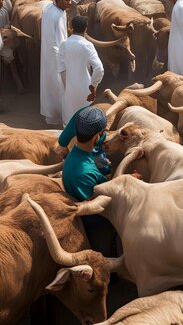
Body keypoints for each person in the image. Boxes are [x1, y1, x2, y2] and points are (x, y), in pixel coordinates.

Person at [60, 106, 117, 257]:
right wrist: (128, 180)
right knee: (105, 253)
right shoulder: (83, 173)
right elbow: (95, 204)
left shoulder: (79, 154)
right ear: (96, 137)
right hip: (95, 222)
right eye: (102, 133)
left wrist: (102, 164)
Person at [58, 15, 104, 126]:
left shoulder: (63, 44)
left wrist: (67, 87)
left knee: (69, 122)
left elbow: (62, 69)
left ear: (71, 27)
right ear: (86, 28)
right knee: (86, 122)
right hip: (86, 89)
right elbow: (99, 68)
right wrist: (93, 87)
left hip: (69, 88)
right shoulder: (87, 45)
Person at [40, 0, 71, 125]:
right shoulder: (56, 15)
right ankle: (58, 115)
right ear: (58, 0)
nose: (69, 3)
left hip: (50, 53)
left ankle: (51, 114)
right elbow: (59, 39)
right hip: (57, 54)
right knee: (58, 85)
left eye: (70, 0)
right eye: (66, 0)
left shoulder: (51, 9)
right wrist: (64, 55)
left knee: (51, 83)